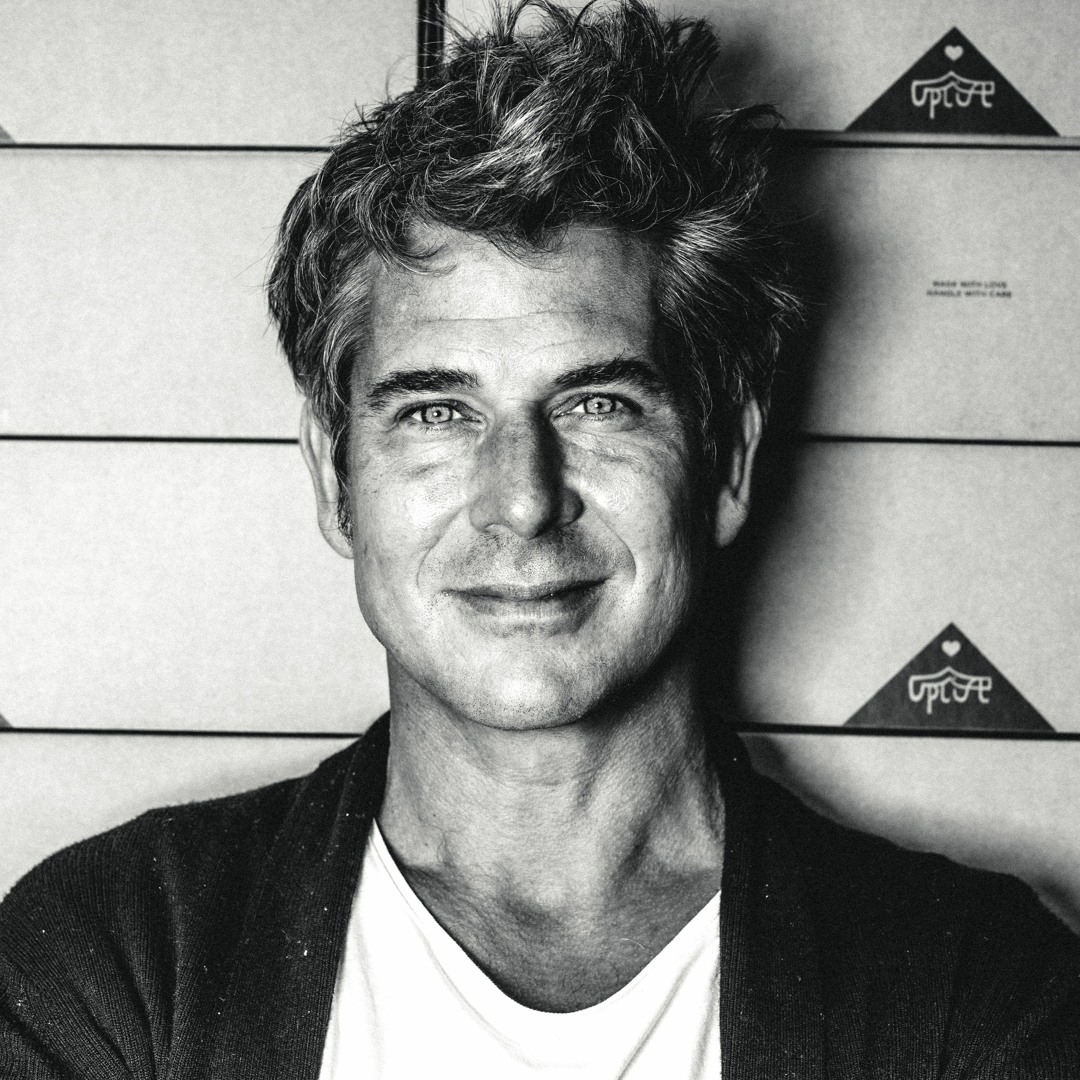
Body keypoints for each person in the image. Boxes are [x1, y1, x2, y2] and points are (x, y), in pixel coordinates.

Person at [1, 2, 1077, 1077]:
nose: (521, 500)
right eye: (437, 412)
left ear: (726, 464)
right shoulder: (115, 961)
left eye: (598, 405)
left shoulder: (977, 993)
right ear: (336, 479)